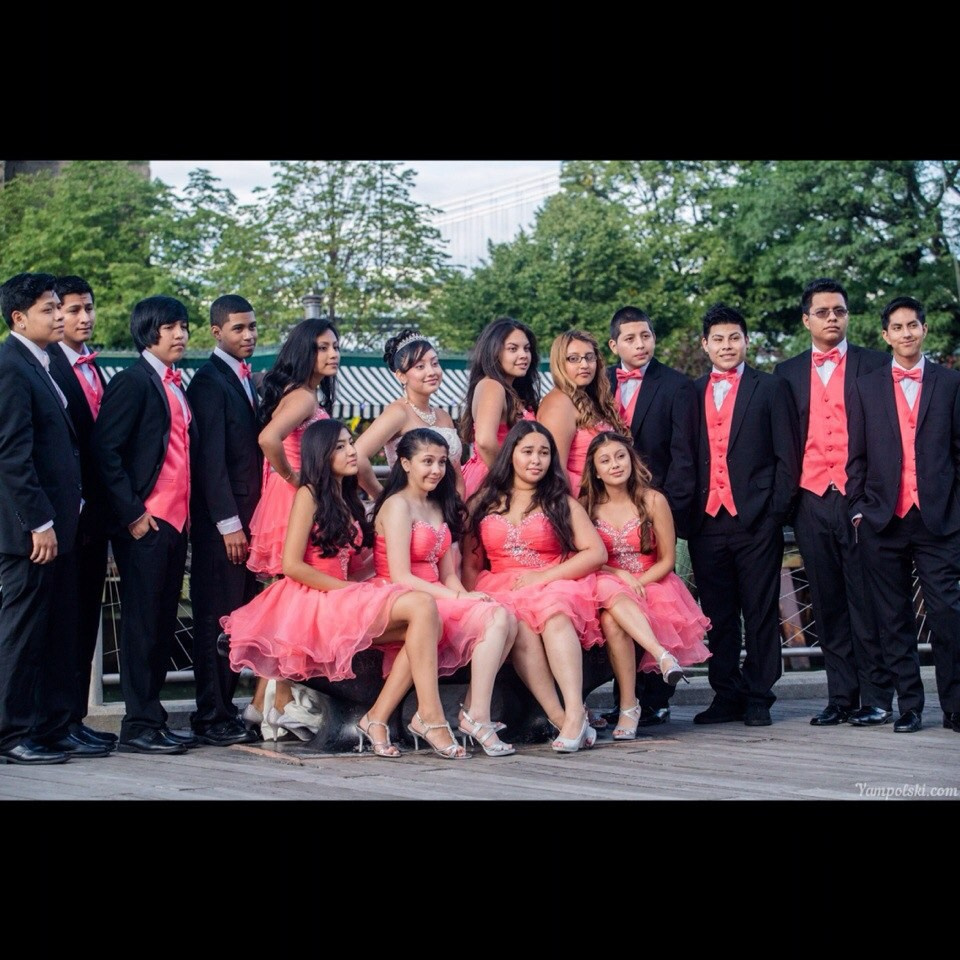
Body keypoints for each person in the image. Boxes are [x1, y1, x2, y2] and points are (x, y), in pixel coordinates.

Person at [224, 419, 453, 758]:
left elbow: (353, 564)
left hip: (343, 593)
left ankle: (377, 718)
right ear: (321, 454)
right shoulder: (308, 494)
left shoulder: (347, 498)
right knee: (422, 606)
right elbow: (292, 565)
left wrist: (383, 560)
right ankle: (429, 716)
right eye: (342, 446)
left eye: (351, 444)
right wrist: (345, 590)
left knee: (426, 625)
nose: (352, 452)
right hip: (315, 598)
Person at [774, 279, 894, 727]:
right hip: (810, 499)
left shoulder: (875, 363)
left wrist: (875, 497)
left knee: (867, 601)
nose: (832, 318)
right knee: (826, 603)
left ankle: (877, 696)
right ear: (806, 320)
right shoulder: (786, 373)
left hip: (859, 497)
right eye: (822, 312)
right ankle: (840, 696)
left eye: (839, 311)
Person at [847, 296, 960, 735]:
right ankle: (910, 706)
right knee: (893, 619)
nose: (906, 333)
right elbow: (856, 456)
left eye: (913, 325)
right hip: (883, 519)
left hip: (939, 520)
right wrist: (859, 509)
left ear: (924, 329)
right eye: (897, 327)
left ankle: (955, 706)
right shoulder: (866, 387)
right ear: (885, 335)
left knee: (947, 613)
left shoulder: (950, 383)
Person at [93, 295, 199, 754]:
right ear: (147, 331)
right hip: (147, 524)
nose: (180, 334)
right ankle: (137, 725)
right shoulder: (132, 381)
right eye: (170, 327)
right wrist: (133, 514)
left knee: (161, 624)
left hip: (177, 524)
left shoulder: (175, 383)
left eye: (183, 326)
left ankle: (152, 718)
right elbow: (105, 452)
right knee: (140, 627)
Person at [461, 420, 608, 753]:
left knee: (554, 614)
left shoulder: (559, 501)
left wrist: (543, 578)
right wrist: (471, 599)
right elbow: (470, 563)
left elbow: (596, 552)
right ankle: (564, 719)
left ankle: (575, 711)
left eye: (544, 453)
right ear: (511, 453)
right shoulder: (483, 501)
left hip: (551, 582)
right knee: (520, 626)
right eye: (527, 451)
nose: (536, 460)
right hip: (500, 586)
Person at [687, 303, 801, 727]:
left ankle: (759, 696)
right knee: (717, 615)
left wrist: (774, 514)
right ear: (705, 344)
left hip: (756, 520)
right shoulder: (690, 391)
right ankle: (726, 694)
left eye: (734, 337)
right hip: (706, 522)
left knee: (760, 612)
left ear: (746, 341)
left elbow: (787, 457)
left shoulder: (770, 388)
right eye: (718, 339)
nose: (726, 345)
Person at [372, 428, 517, 757]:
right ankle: (452, 718)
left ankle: (475, 713)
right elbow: (401, 575)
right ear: (405, 463)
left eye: (441, 462)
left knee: (503, 615)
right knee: (474, 617)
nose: (436, 470)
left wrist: (465, 596)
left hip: (434, 592)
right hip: (398, 593)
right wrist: (458, 599)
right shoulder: (397, 506)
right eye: (427, 462)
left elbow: (448, 574)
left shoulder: (436, 505)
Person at [0, 273, 85, 764]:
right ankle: (11, 733)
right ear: (19, 318)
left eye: (58, 307)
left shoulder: (41, 362)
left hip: (57, 526)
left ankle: (48, 729)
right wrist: (39, 522)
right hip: (29, 532)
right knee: (23, 631)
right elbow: (13, 455)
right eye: (49, 309)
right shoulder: (11, 366)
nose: (59, 316)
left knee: (51, 630)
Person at [602, 306, 699, 727]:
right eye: (630, 338)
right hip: (605, 510)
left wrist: (660, 509)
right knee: (614, 605)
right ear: (614, 345)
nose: (640, 344)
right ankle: (624, 698)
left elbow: (684, 455)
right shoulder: (599, 381)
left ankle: (657, 698)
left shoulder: (677, 386)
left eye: (646, 336)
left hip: (655, 510)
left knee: (660, 601)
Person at [580, 431, 711, 739]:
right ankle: (659, 658)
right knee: (610, 607)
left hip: (650, 581)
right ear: (595, 471)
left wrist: (636, 581)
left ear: (632, 459)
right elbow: (585, 555)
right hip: (606, 581)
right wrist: (618, 574)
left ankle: (629, 706)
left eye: (620, 456)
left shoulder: (653, 500)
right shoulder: (586, 506)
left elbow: (667, 560)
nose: (615, 465)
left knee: (612, 620)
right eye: (605, 460)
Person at [243, 317, 338, 739]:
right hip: (294, 501)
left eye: (334, 346)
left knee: (286, 602)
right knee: (292, 603)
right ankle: (279, 702)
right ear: (304, 352)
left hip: (294, 499)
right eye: (322, 347)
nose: (333, 354)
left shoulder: (303, 392)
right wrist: (294, 478)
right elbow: (269, 439)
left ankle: (260, 701)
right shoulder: (302, 396)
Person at [185, 294, 262, 746]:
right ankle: (210, 715)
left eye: (252, 326)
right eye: (238, 328)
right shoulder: (208, 382)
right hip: (224, 528)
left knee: (237, 617)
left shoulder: (245, 377)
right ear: (216, 332)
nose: (248, 335)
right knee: (216, 618)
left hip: (250, 522)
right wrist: (228, 524)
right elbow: (209, 462)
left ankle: (225, 708)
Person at [46, 276, 117, 752]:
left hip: (95, 520)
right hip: (60, 519)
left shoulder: (96, 368)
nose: (84, 317)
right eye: (73, 309)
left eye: (88, 308)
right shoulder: (47, 366)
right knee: (61, 624)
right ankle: (55, 721)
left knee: (86, 621)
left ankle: (73, 718)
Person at [355, 329, 465, 499]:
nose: (431, 372)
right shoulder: (398, 413)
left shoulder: (444, 416)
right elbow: (357, 455)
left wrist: (458, 507)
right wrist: (384, 498)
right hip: (410, 508)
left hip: (448, 508)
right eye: (420, 366)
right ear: (401, 376)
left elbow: (456, 475)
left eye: (435, 363)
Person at [460, 316, 541, 498]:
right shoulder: (492, 386)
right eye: (513, 349)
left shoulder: (511, 390)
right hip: (493, 481)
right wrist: (510, 480)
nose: (523, 355)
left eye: (527, 348)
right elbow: (485, 441)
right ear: (494, 351)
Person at [537, 329, 627, 494]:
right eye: (574, 359)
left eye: (589, 357)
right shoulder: (559, 403)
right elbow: (555, 471)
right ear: (559, 363)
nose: (584, 365)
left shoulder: (591, 397)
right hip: (581, 500)